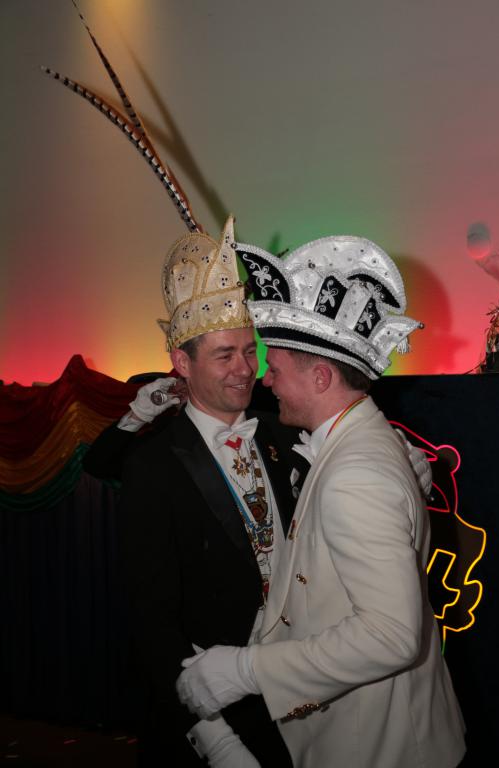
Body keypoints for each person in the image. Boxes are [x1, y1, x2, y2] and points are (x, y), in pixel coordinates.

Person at [176, 234, 467, 768]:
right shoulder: (359, 442)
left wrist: (244, 670)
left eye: (276, 366)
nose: (265, 379)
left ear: (321, 375)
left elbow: (391, 636)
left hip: (381, 744)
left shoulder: (356, 471)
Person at [114, 217, 299, 767]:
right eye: (225, 355)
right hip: (215, 708)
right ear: (182, 363)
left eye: (249, 351)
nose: (246, 370)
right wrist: (212, 736)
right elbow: (152, 618)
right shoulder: (152, 467)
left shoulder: (284, 434)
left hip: (294, 693)